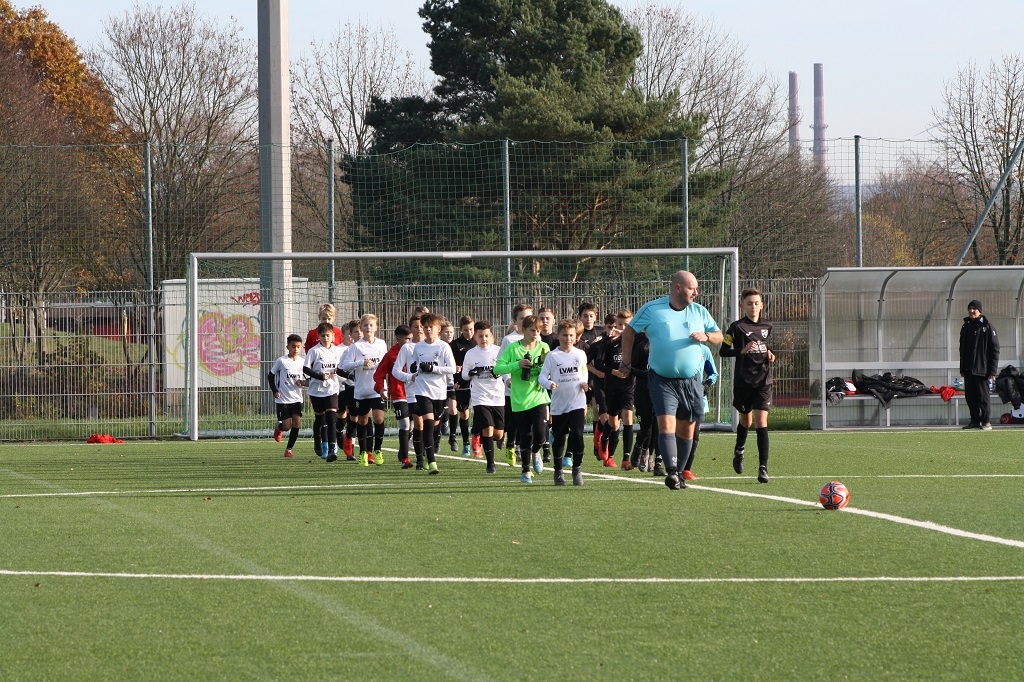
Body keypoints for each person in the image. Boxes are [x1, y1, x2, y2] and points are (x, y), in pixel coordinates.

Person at [620, 270, 723, 491]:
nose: (696, 292)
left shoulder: (699, 311)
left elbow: (719, 336)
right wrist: (626, 362)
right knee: (665, 424)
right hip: (661, 380)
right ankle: (672, 472)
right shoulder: (652, 309)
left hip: (691, 381)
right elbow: (629, 331)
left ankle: (680, 472)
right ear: (678, 288)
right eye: (692, 288)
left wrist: (706, 336)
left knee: (687, 429)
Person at [720, 287, 774, 482]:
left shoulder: (768, 325)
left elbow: (764, 345)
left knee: (761, 421)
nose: (753, 307)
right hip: (744, 382)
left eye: (756, 303)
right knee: (746, 421)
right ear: (742, 306)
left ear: (762, 305)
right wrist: (740, 351)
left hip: (763, 381)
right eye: (749, 303)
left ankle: (763, 468)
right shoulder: (736, 327)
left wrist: (770, 352)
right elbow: (723, 351)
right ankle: (739, 450)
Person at [394, 313, 457, 474]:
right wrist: (414, 371)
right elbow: (414, 366)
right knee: (427, 424)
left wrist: (433, 369)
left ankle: (429, 455)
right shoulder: (418, 347)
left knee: (435, 427)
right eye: (425, 327)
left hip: (439, 392)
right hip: (422, 391)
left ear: (438, 329)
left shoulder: (444, 347)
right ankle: (431, 462)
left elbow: (451, 368)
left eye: (431, 327)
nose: (428, 329)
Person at [494, 314, 551, 483]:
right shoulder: (513, 348)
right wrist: (517, 365)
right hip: (519, 399)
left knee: (540, 433)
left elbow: (549, 369)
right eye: (532, 330)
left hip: (539, 397)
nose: (535, 334)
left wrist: (546, 376)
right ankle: (526, 470)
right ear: (523, 330)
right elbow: (497, 369)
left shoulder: (544, 347)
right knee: (525, 435)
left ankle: (536, 451)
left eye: (538, 331)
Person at [538, 319, 589, 486]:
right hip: (559, 404)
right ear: (558, 336)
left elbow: (584, 372)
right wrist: (549, 384)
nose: (568, 338)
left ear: (576, 337)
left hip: (577, 402)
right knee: (559, 438)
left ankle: (577, 469)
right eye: (565, 335)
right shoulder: (552, 356)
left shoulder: (580, 354)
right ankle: (558, 470)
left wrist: (585, 383)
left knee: (577, 434)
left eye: (571, 335)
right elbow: (542, 377)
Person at [341, 313, 388, 466]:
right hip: (361, 390)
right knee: (362, 420)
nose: (368, 328)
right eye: (365, 325)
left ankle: (377, 450)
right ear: (361, 327)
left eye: (371, 325)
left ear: (376, 327)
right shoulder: (356, 347)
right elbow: (345, 366)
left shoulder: (381, 344)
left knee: (379, 418)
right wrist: (360, 363)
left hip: (377, 388)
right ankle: (363, 452)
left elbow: (386, 363)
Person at [462, 321, 506, 473]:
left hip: (497, 396)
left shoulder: (499, 351)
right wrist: (471, 372)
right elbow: (464, 375)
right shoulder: (471, 354)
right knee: (488, 427)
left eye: (486, 336)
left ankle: (478, 432)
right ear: (475, 337)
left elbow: (506, 371)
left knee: (498, 434)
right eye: (480, 336)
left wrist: (499, 373)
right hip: (480, 396)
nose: (484, 339)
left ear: (492, 336)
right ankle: (490, 464)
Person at [302, 322, 345, 462]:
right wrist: (320, 376)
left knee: (331, 419)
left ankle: (332, 448)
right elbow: (306, 369)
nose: (326, 338)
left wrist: (341, 373)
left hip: (332, 389)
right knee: (320, 420)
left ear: (333, 336)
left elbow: (341, 368)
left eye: (328, 335)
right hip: (317, 390)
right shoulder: (314, 351)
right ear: (318, 337)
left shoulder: (337, 351)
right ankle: (319, 441)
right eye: (323, 335)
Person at [374, 324, 414, 468]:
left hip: (415, 393)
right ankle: (405, 459)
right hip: (399, 394)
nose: (410, 341)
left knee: (413, 426)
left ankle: (404, 452)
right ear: (398, 339)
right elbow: (378, 374)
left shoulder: (416, 351)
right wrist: (381, 388)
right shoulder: (391, 355)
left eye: (411, 338)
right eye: (407, 339)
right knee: (405, 424)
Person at [498, 303, 533, 466]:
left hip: (530, 389)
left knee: (528, 422)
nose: (526, 321)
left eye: (529, 317)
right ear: (515, 321)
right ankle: (510, 445)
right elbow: (500, 363)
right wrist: (507, 379)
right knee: (513, 421)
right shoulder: (509, 340)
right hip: (512, 390)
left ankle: (522, 448)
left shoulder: (536, 338)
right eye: (522, 318)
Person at [959, 299, 999, 430]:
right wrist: (962, 368)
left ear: (980, 311)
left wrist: (992, 370)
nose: (971, 311)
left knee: (983, 397)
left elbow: (995, 349)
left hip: (982, 369)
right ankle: (975, 420)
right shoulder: (966, 327)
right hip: (968, 368)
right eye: (969, 309)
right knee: (970, 397)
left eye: (974, 309)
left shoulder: (987, 327)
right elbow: (962, 349)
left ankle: (986, 421)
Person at [682, 344, 719, 480]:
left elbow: (713, 373)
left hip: (697, 398)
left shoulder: (704, 350)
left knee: (694, 435)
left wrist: (707, 384)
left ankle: (686, 469)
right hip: (678, 396)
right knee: (674, 433)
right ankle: (667, 464)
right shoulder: (677, 346)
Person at [267, 334, 305, 458]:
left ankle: (289, 449)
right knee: (287, 426)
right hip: (282, 399)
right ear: (287, 347)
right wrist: (275, 390)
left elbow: (308, 378)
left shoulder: (302, 362)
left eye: (298, 347)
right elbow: (270, 376)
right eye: (293, 346)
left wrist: (303, 382)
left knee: (297, 421)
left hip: (297, 398)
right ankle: (279, 427)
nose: (296, 349)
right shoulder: (282, 361)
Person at [449, 315, 476, 456]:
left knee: (480, 411)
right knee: (464, 413)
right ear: (461, 329)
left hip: (477, 383)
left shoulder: (478, 342)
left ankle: (477, 438)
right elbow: (451, 365)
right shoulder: (455, 345)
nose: (469, 332)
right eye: (466, 330)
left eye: (471, 329)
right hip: (461, 384)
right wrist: (455, 379)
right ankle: (466, 442)